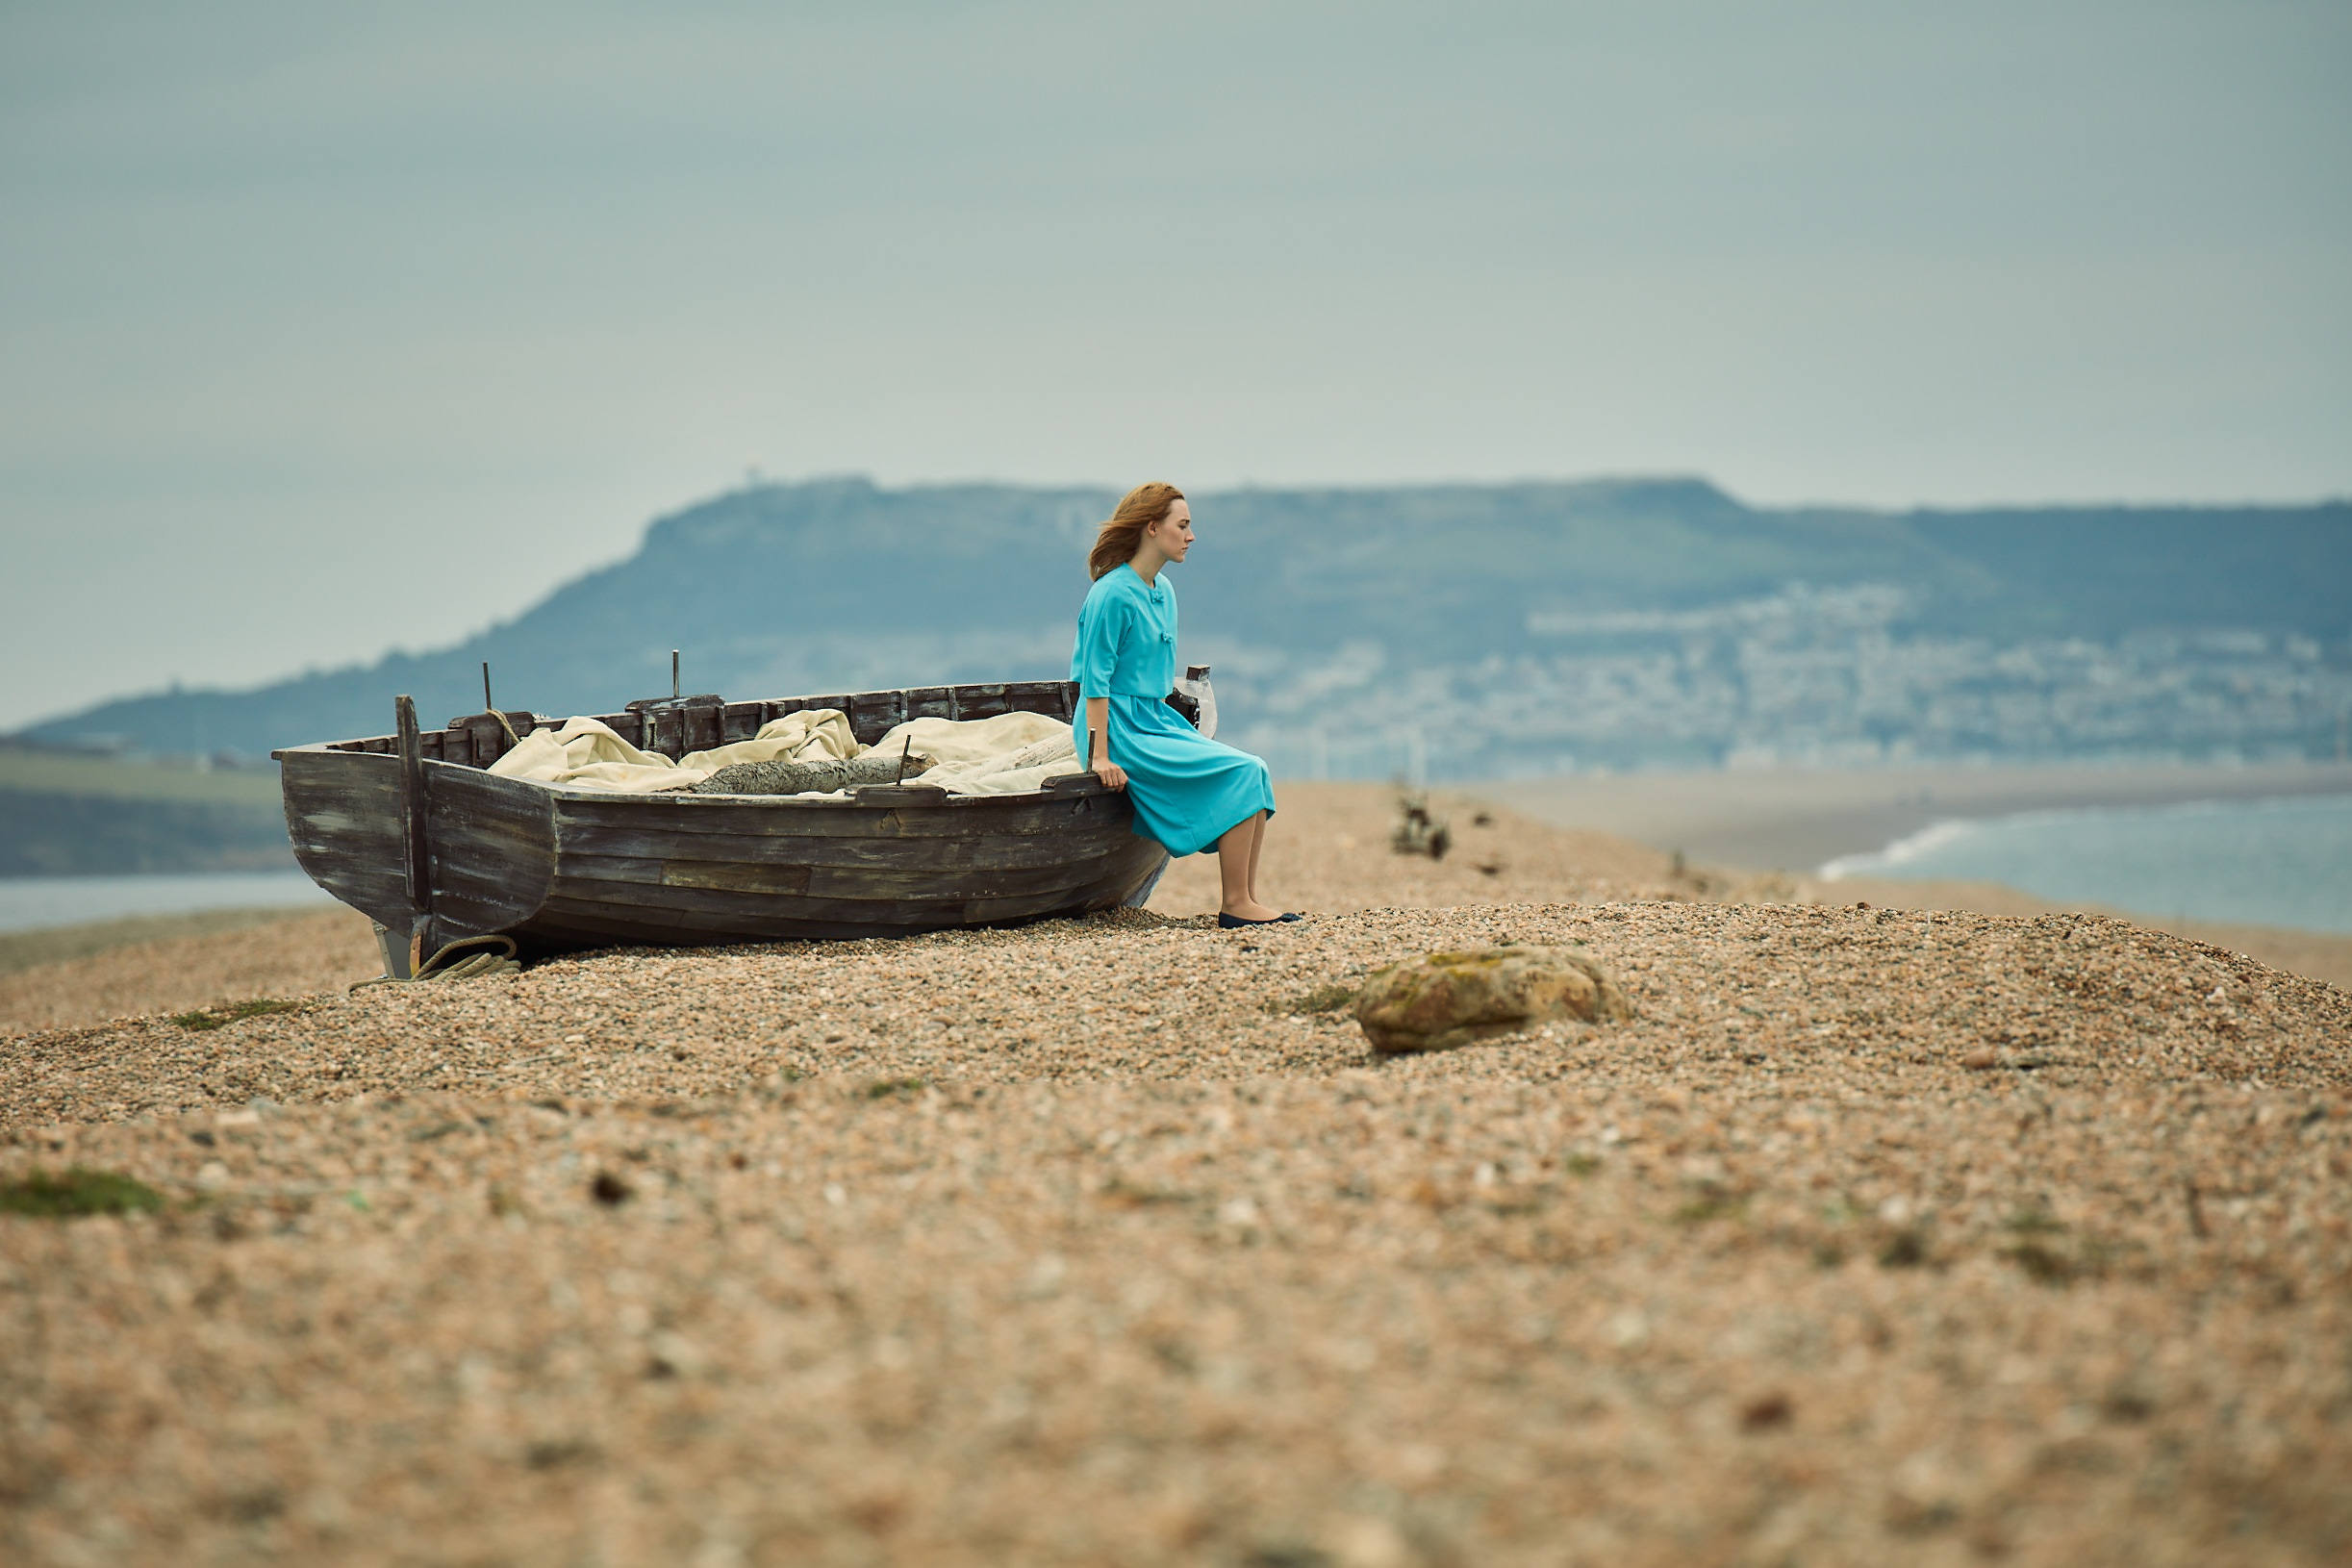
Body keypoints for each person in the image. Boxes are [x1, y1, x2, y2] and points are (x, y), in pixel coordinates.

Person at [1072, 482, 1298, 927]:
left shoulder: (1165, 590)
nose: (1191, 535)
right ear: (1152, 528)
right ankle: (1235, 903)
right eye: (1183, 525)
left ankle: (1246, 898)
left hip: (1155, 718)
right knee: (1240, 771)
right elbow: (1093, 682)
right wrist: (1100, 755)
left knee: (1255, 769)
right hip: (1118, 727)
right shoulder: (1111, 594)